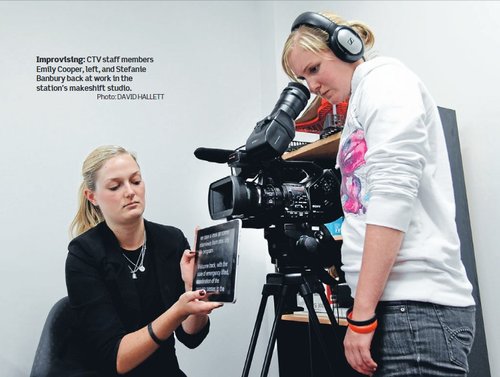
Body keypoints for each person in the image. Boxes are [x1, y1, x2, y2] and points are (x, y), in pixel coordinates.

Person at [281, 11, 476, 377]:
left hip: (415, 308)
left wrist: (362, 316)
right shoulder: (359, 101)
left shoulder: (386, 81)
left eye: (313, 68)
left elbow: (392, 195)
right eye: (302, 77)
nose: (312, 85)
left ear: (346, 47)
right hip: (399, 307)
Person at [66, 145, 222, 376]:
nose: (130, 191)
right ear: (93, 197)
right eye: (115, 186)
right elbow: (117, 360)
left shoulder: (171, 240)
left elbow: (190, 337)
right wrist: (178, 310)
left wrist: (194, 292)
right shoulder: (84, 254)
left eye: (136, 181)